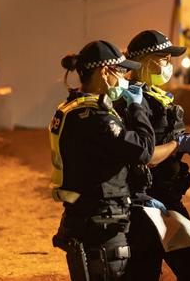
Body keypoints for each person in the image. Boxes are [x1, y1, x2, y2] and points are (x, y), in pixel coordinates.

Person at [49, 40, 156, 280]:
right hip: (101, 221)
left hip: (83, 214)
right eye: (120, 71)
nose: (124, 77)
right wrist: (138, 108)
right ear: (105, 72)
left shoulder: (70, 108)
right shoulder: (96, 118)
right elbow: (144, 150)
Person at [125, 30, 190, 280]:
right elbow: (146, 155)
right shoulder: (134, 101)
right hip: (147, 202)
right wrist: (179, 144)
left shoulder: (155, 96)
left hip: (165, 199)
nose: (169, 64)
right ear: (146, 61)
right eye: (164, 58)